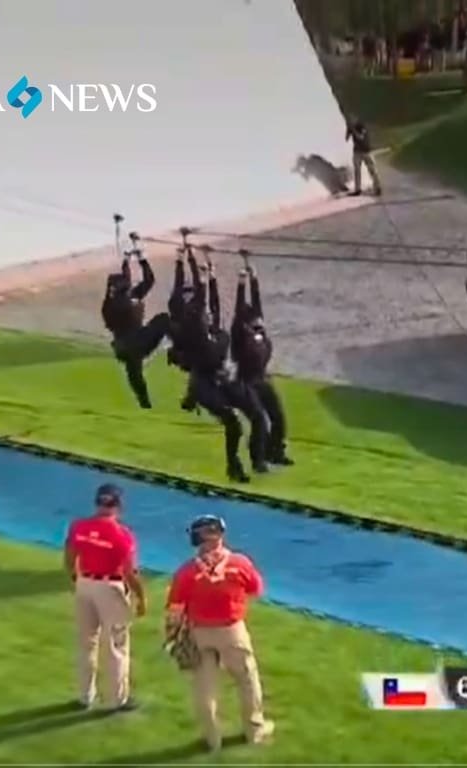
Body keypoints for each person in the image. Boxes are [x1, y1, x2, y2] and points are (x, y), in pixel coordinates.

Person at [166, 514, 273, 752]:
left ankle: (212, 739)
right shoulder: (240, 563)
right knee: (247, 681)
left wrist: (172, 636)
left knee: (205, 688)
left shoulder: (186, 572)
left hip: (200, 633)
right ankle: (254, 731)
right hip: (232, 631)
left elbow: (174, 610)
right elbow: (256, 589)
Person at [183, 249, 268, 482]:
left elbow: (214, 301)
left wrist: (212, 274)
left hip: (225, 380)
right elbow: (202, 301)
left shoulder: (218, 331)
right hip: (205, 385)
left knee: (258, 416)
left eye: (210, 313)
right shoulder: (197, 335)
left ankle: (258, 460)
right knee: (233, 423)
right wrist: (201, 279)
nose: (210, 314)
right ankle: (234, 466)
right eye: (205, 314)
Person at [63, 483, 146, 712]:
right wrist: (141, 597)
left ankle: (84, 696)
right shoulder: (123, 535)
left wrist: (76, 578)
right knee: (116, 644)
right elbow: (130, 572)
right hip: (110, 587)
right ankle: (118, 699)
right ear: (119, 505)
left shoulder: (79, 527)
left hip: (85, 584)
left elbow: (69, 556)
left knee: (86, 643)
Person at [232, 265, 291, 465]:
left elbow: (256, 301)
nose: (259, 322)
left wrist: (254, 277)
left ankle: (276, 453)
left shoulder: (260, 332)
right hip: (246, 383)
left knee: (278, 417)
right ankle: (258, 459)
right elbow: (239, 308)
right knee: (260, 420)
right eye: (254, 320)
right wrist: (241, 282)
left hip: (263, 379)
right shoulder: (240, 334)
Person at [102, 248, 168, 409]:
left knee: (134, 373)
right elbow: (141, 282)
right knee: (164, 319)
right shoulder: (114, 304)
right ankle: (144, 402)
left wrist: (133, 259)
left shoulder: (125, 297)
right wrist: (137, 259)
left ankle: (144, 402)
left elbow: (148, 281)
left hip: (132, 344)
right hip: (132, 342)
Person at [345, 118, 382, 197]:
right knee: (357, 171)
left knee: (372, 170)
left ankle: (377, 188)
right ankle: (357, 189)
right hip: (357, 151)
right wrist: (348, 130)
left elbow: (360, 137)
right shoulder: (351, 127)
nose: (351, 120)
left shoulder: (361, 125)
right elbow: (346, 139)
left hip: (366, 151)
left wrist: (353, 129)